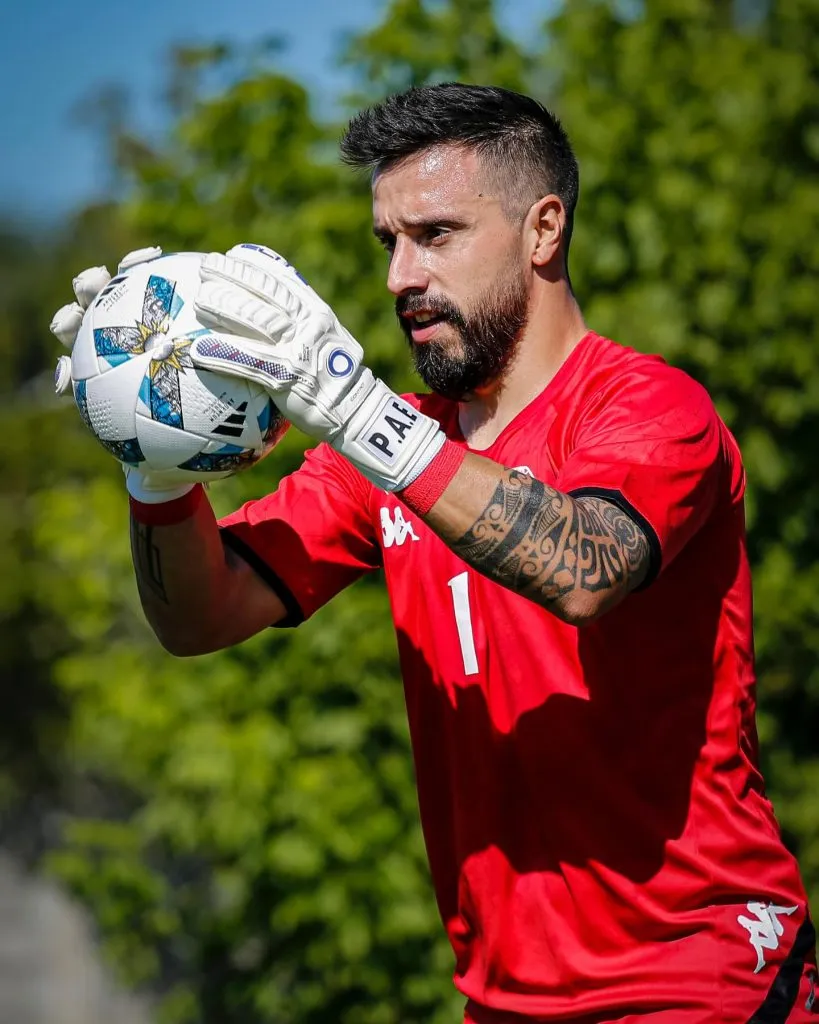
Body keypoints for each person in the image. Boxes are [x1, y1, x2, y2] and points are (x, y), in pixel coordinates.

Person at [51, 83, 817, 1023]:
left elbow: (585, 568)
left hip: (696, 981)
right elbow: (199, 616)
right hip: (499, 1001)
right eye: (389, 243)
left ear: (543, 230)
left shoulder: (651, 409)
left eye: (437, 234)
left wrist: (363, 416)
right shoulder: (395, 446)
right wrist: (154, 469)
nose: (399, 278)